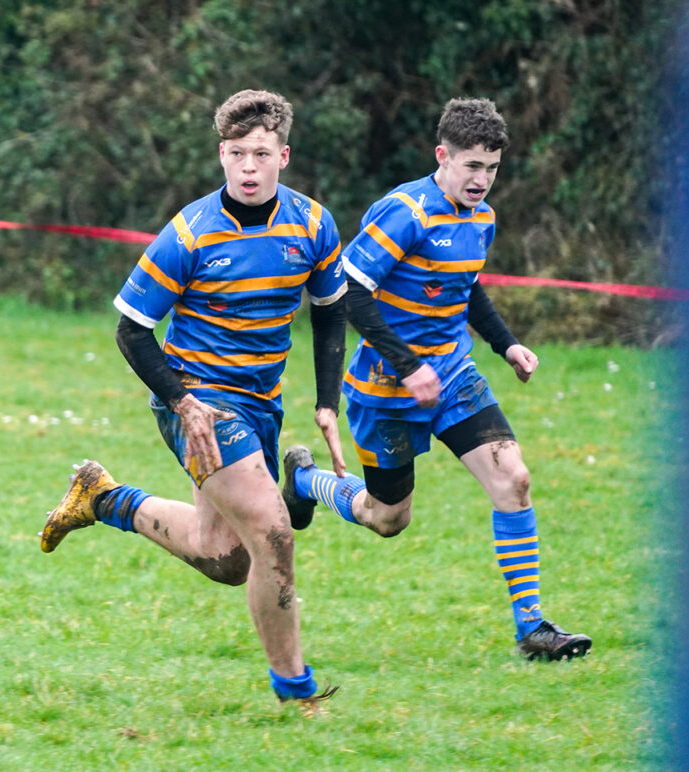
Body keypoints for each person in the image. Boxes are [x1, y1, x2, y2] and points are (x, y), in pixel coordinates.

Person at [40, 89, 347, 708]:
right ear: (221, 155)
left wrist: (326, 403)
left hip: (261, 403)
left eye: (261, 154)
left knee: (227, 558)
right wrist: (184, 403)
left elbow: (331, 311)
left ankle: (104, 498)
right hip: (198, 402)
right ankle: (297, 692)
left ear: (284, 155)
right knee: (273, 531)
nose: (248, 167)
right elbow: (131, 330)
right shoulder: (189, 233)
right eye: (236, 154)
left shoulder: (313, 225)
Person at [279, 97, 591, 662]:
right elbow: (351, 294)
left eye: (492, 168)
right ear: (442, 156)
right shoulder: (406, 213)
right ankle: (305, 481)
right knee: (386, 517)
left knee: (514, 479)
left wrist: (506, 344)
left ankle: (533, 630)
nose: (482, 180)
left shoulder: (482, 219)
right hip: (385, 387)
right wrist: (408, 365)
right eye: (472, 166)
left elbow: (466, 287)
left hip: (453, 373)